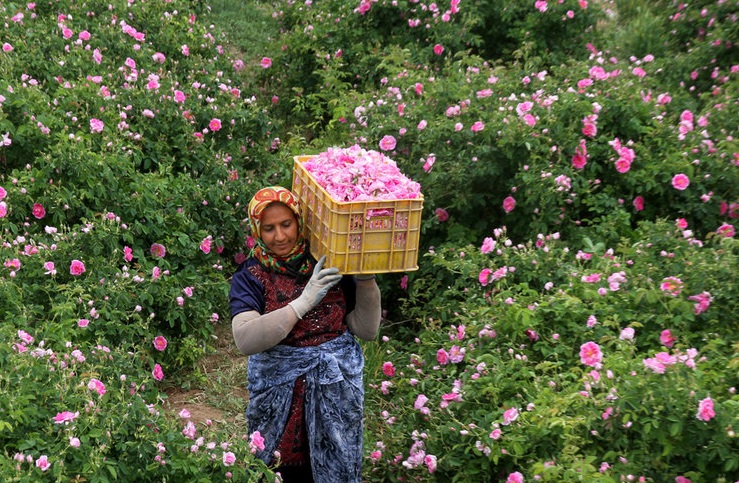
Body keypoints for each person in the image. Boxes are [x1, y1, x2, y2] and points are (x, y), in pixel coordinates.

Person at [229, 186, 382, 483]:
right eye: (269, 228)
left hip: (334, 390)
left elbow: (367, 329)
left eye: (286, 224)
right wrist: (302, 302)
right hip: (279, 395)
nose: (280, 236)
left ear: (300, 221)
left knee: (334, 466)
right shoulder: (250, 275)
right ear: (257, 230)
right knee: (279, 468)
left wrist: (365, 278)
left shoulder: (328, 262)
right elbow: (245, 339)